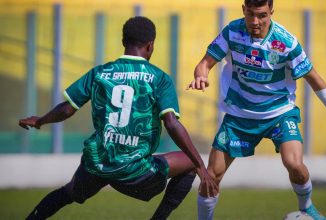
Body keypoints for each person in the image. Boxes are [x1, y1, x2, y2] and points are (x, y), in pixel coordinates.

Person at [19, 16, 217, 220]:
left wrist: (40, 120)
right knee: (191, 163)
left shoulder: (100, 73)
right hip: (135, 171)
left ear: (124, 42)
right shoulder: (159, 78)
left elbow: (68, 109)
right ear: (150, 46)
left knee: (69, 193)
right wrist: (201, 165)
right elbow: (171, 123)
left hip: (98, 163)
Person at [187, 1, 326, 220]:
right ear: (243, 9)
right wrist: (201, 74)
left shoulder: (286, 42)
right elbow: (205, 62)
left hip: (279, 113)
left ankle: (306, 207)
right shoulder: (232, 32)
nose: (254, 22)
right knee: (211, 176)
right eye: (250, 14)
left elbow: (314, 78)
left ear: (271, 12)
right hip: (240, 116)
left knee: (294, 164)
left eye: (261, 15)